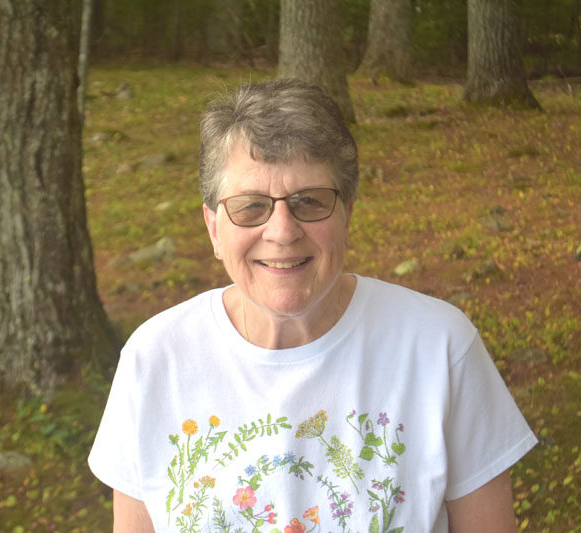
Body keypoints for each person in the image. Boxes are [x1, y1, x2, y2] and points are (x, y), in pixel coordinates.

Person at [88, 79, 536, 532]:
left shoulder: (439, 348)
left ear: (347, 214)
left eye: (310, 202)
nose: (282, 231)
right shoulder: (154, 361)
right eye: (250, 207)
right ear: (213, 227)